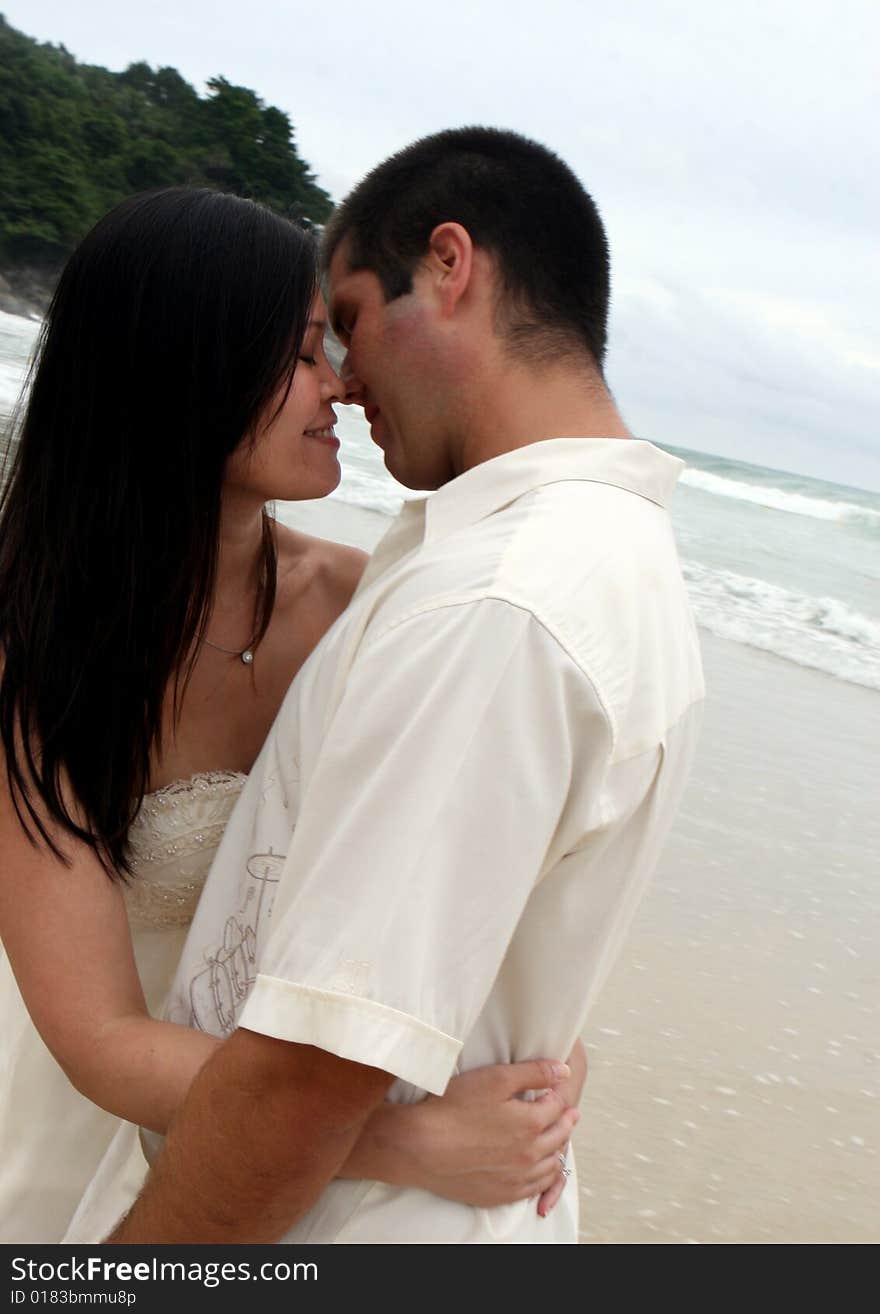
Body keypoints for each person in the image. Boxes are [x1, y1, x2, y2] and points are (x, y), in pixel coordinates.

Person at [106, 126, 705, 1247]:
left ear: (447, 265)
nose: (342, 375)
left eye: (347, 322)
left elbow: (308, 1076)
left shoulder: (499, 603)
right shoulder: (598, 557)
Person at [0, 186, 583, 1244]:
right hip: (111, 1118)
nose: (342, 386)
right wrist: (404, 1142)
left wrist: (540, 1048)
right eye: (306, 352)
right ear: (183, 366)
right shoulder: (38, 645)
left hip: (310, 1086)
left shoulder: (367, 605)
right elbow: (99, 1034)